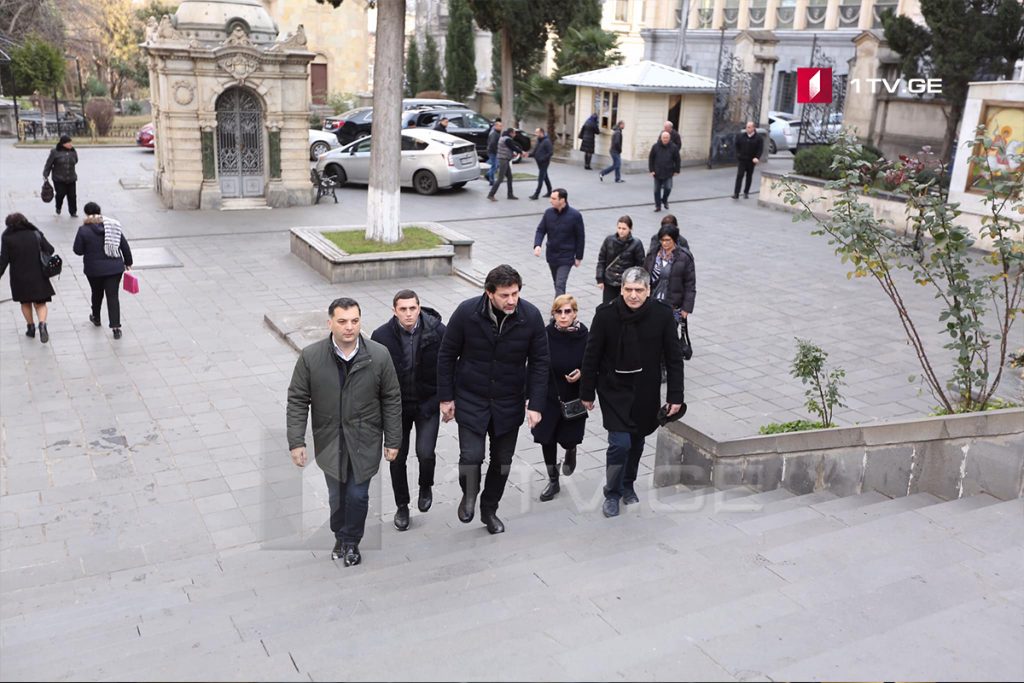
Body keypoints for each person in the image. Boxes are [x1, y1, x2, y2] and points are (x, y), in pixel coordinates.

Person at [286, 298, 402, 566]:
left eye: (354, 321)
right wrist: (296, 441)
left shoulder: (379, 355)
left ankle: (351, 542)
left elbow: (392, 398)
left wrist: (393, 439)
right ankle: (340, 533)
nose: (349, 327)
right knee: (337, 496)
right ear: (330, 323)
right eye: (342, 321)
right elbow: (298, 399)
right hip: (330, 441)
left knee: (358, 495)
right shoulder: (311, 357)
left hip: (365, 440)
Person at [436, 264, 549, 535]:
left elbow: (540, 361)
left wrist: (535, 403)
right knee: (471, 456)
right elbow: (447, 354)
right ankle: (470, 492)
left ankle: (489, 509)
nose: (511, 300)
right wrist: (446, 398)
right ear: (489, 293)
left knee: (502, 460)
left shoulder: (531, 316)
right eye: (504, 295)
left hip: (509, 400)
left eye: (515, 293)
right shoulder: (466, 313)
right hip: (471, 397)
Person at [579, 267, 684, 518]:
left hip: (645, 390)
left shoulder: (662, 314)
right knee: (620, 444)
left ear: (648, 291)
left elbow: (674, 357)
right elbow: (591, 355)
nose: (633, 295)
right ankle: (612, 493)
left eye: (638, 290)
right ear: (621, 289)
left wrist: (675, 396)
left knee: (636, 442)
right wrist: (587, 392)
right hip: (613, 389)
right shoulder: (605, 315)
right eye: (628, 289)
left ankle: (628, 484)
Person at [370, 289, 446, 532]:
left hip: (427, 403)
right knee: (397, 459)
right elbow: (373, 374)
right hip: (396, 408)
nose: (408, 313)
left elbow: (448, 366)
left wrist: (447, 399)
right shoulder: (381, 336)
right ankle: (402, 506)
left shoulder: (438, 331)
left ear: (419, 308)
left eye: (412, 308)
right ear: (394, 311)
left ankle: (425, 485)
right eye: (403, 309)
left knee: (426, 453)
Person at [531, 294, 588, 502]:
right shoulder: (545, 335)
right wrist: (530, 397)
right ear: (553, 314)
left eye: (567, 311)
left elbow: (593, 361)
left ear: (575, 313)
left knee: (568, 438)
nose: (563, 316)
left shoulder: (584, 335)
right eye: (559, 312)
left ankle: (571, 449)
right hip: (548, 393)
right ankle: (553, 480)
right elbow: (534, 363)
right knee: (547, 439)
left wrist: (581, 373)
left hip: (573, 395)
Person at [72, 202, 134, 340]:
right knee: (112, 296)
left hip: (94, 270)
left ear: (86, 214)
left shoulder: (83, 230)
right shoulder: (113, 227)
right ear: (100, 212)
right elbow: (124, 246)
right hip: (114, 268)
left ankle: (96, 317)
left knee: (96, 293)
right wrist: (128, 262)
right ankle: (116, 327)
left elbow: (78, 250)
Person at [0, 213, 56, 343]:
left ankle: (30, 327)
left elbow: (3, 260)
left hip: (19, 276)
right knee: (40, 303)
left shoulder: (7, 237)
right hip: (38, 274)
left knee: (25, 302)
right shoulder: (35, 233)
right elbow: (50, 249)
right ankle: (42, 324)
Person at [533, 188, 585, 297]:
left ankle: (557, 307)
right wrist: (537, 245)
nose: (550, 201)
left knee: (560, 284)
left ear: (562, 200)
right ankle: (562, 302)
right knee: (557, 283)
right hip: (552, 255)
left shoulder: (575, 215)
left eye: (553, 198)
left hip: (566, 256)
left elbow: (580, 237)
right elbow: (541, 230)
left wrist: (579, 257)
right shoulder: (548, 213)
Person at [644, 223, 696, 324]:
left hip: (673, 305)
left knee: (670, 331)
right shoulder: (653, 254)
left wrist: (686, 308)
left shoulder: (684, 257)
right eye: (662, 240)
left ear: (674, 239)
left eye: (668, 240)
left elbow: (690, 285)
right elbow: (644, 277)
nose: (664, 243)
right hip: (652, 301)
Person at [595, 215, 646, 304]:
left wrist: (637, 282)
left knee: (624, 306)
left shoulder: (636, 243)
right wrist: (600, 279)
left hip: (626, 282)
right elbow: (602, 260)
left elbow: (640, 265)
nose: (621, 231)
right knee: (608, 306)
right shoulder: (609, 240)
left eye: (624, 228)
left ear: (630, 229)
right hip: (610, 279)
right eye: (619, 228)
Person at [43, 135, 79, 218]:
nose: (70, 144)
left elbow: (76, 160)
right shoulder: (55, 152)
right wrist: (45, 174)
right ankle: (58, 207)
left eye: (70, 142)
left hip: (71, 177)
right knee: (60, 194)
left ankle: (73, 212)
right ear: (63, 143)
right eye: (68, 143)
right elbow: (48, 164)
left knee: (72, 196)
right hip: (58, 178)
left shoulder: (73, 151)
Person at [487, 127, 526, 201]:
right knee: (500, 178)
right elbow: (513, 147)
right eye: (514, 133)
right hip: (503, 160)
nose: (515, 134)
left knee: (510, 177)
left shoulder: (503, 137)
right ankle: (491, 194)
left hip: (504, 159)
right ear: (511, 133)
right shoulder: (507, 139)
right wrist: (522, 152)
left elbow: (508, 148)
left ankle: (510, 194)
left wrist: (512, 153)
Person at [649, 131, 680, 213]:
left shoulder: (673, 147)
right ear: (661, 138)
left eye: (667, 138)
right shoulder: (655, 146)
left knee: (668, 188)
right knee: (656, 190)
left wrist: (677, 170)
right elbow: (651, 159)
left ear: (669, 138)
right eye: (664, 138)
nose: (665, 139)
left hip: (668, 171)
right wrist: (651, 170)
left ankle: (664, 199)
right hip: (657, 171)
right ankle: (658, 206)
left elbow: (677, 159)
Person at [733, 120, 764, 199]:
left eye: (749, 127)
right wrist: (738, 154)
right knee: (740, 175)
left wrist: (757, 157)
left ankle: (746, 192)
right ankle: (736, 193)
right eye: (747, 127)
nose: (747, 129)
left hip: (751, 160)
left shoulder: (758, 138)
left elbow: (760, 149)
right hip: (742, 160)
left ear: (753, 128)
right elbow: (737, 145)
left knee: (749, 176)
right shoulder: (741, 136)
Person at [528, 127, 553, 200]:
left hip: (544, 163)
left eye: (537, 132)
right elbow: (535, 152)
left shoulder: (547, 141)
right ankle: (550, 191)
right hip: (539, 162)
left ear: (541, 133)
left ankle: (536, 194)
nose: (535, 134)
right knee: (545, 177)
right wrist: (528, 155)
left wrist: (543, 159)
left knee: (541, 178)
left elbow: (550, 152)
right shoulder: (539, 141)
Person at [485, 119, 502, 184]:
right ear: (496, 126)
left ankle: (489, 177)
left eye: (501, 126)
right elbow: (492, 143)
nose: (501, 127)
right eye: (500, 126)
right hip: (493, 152)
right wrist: (497, 151)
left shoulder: (496, 133)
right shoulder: (494, 134)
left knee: (495, 165)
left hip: (492, 151)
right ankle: (490, 177)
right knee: (495, 165)